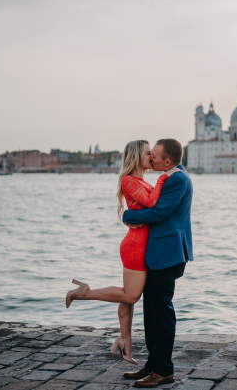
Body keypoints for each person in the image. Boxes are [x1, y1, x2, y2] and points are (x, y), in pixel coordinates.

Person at [64, 139, 178, 364]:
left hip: (144, 244)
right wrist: (165, 177)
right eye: (148, 153)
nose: (152, 157)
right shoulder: (129, 181)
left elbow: (151, 205)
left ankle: (124, 342)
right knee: (131, 295)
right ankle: (83, 292)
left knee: (127, 297)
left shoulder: (142, 180)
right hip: (135, 246)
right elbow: (153, 204)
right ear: (137, 157)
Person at [121, 138, 193, 388]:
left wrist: (128, 215)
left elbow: (159, 212)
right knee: (152, 312)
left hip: (168, 254)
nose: (151, 158)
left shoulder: (177, 180)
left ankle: (163, 370)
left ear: (168, 161)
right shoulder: (171, 176)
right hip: (161, 253)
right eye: (150, 155)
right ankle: (153, 364)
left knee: (160, 314)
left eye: (155, 156)